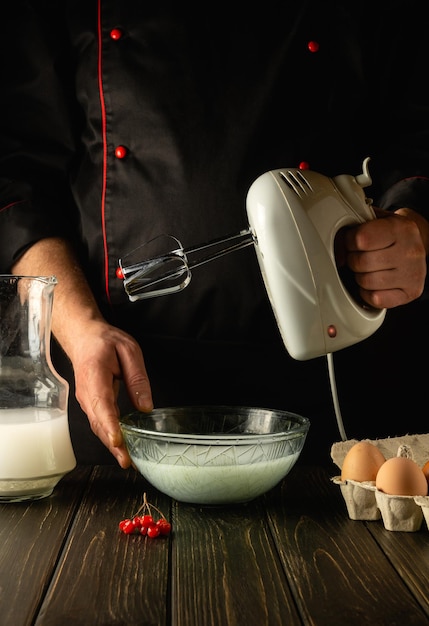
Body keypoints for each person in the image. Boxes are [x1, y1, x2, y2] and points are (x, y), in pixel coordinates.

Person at [1, 1, 429, 468]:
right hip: (124, 385)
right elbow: (19, 179)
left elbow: (419, 127)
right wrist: (80, 331)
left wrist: (416, 224)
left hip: (338, 383)